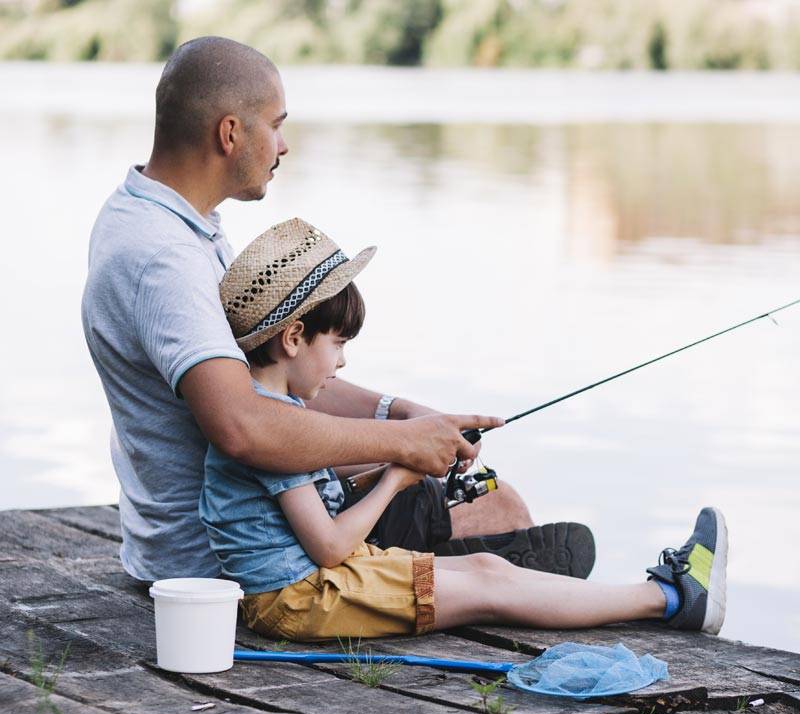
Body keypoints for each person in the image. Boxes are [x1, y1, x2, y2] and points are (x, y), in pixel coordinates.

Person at [81, 35, 593, 586]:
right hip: (234, 556)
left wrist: (402, 415)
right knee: (497, 509)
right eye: (276, 124)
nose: (283, 145)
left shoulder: (165, 221)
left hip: (252, 516)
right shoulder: (166, 258)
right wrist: (403, 445)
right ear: (229, 133)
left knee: (460, 493)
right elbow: (242, 426)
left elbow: (268, 380)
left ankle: (499, 586)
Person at [201, 219, 728, 641]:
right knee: (489, 587)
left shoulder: (275, 409)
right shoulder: (276, 428)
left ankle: (667, 595)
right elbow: (329, 546)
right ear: (294, 338)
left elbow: (317, 515)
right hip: (303, 599)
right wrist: (394, 481)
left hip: (312, 586)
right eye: (338, 344)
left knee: (484, 565)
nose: (342, 362)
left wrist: (397, 463)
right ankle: (671, 599)